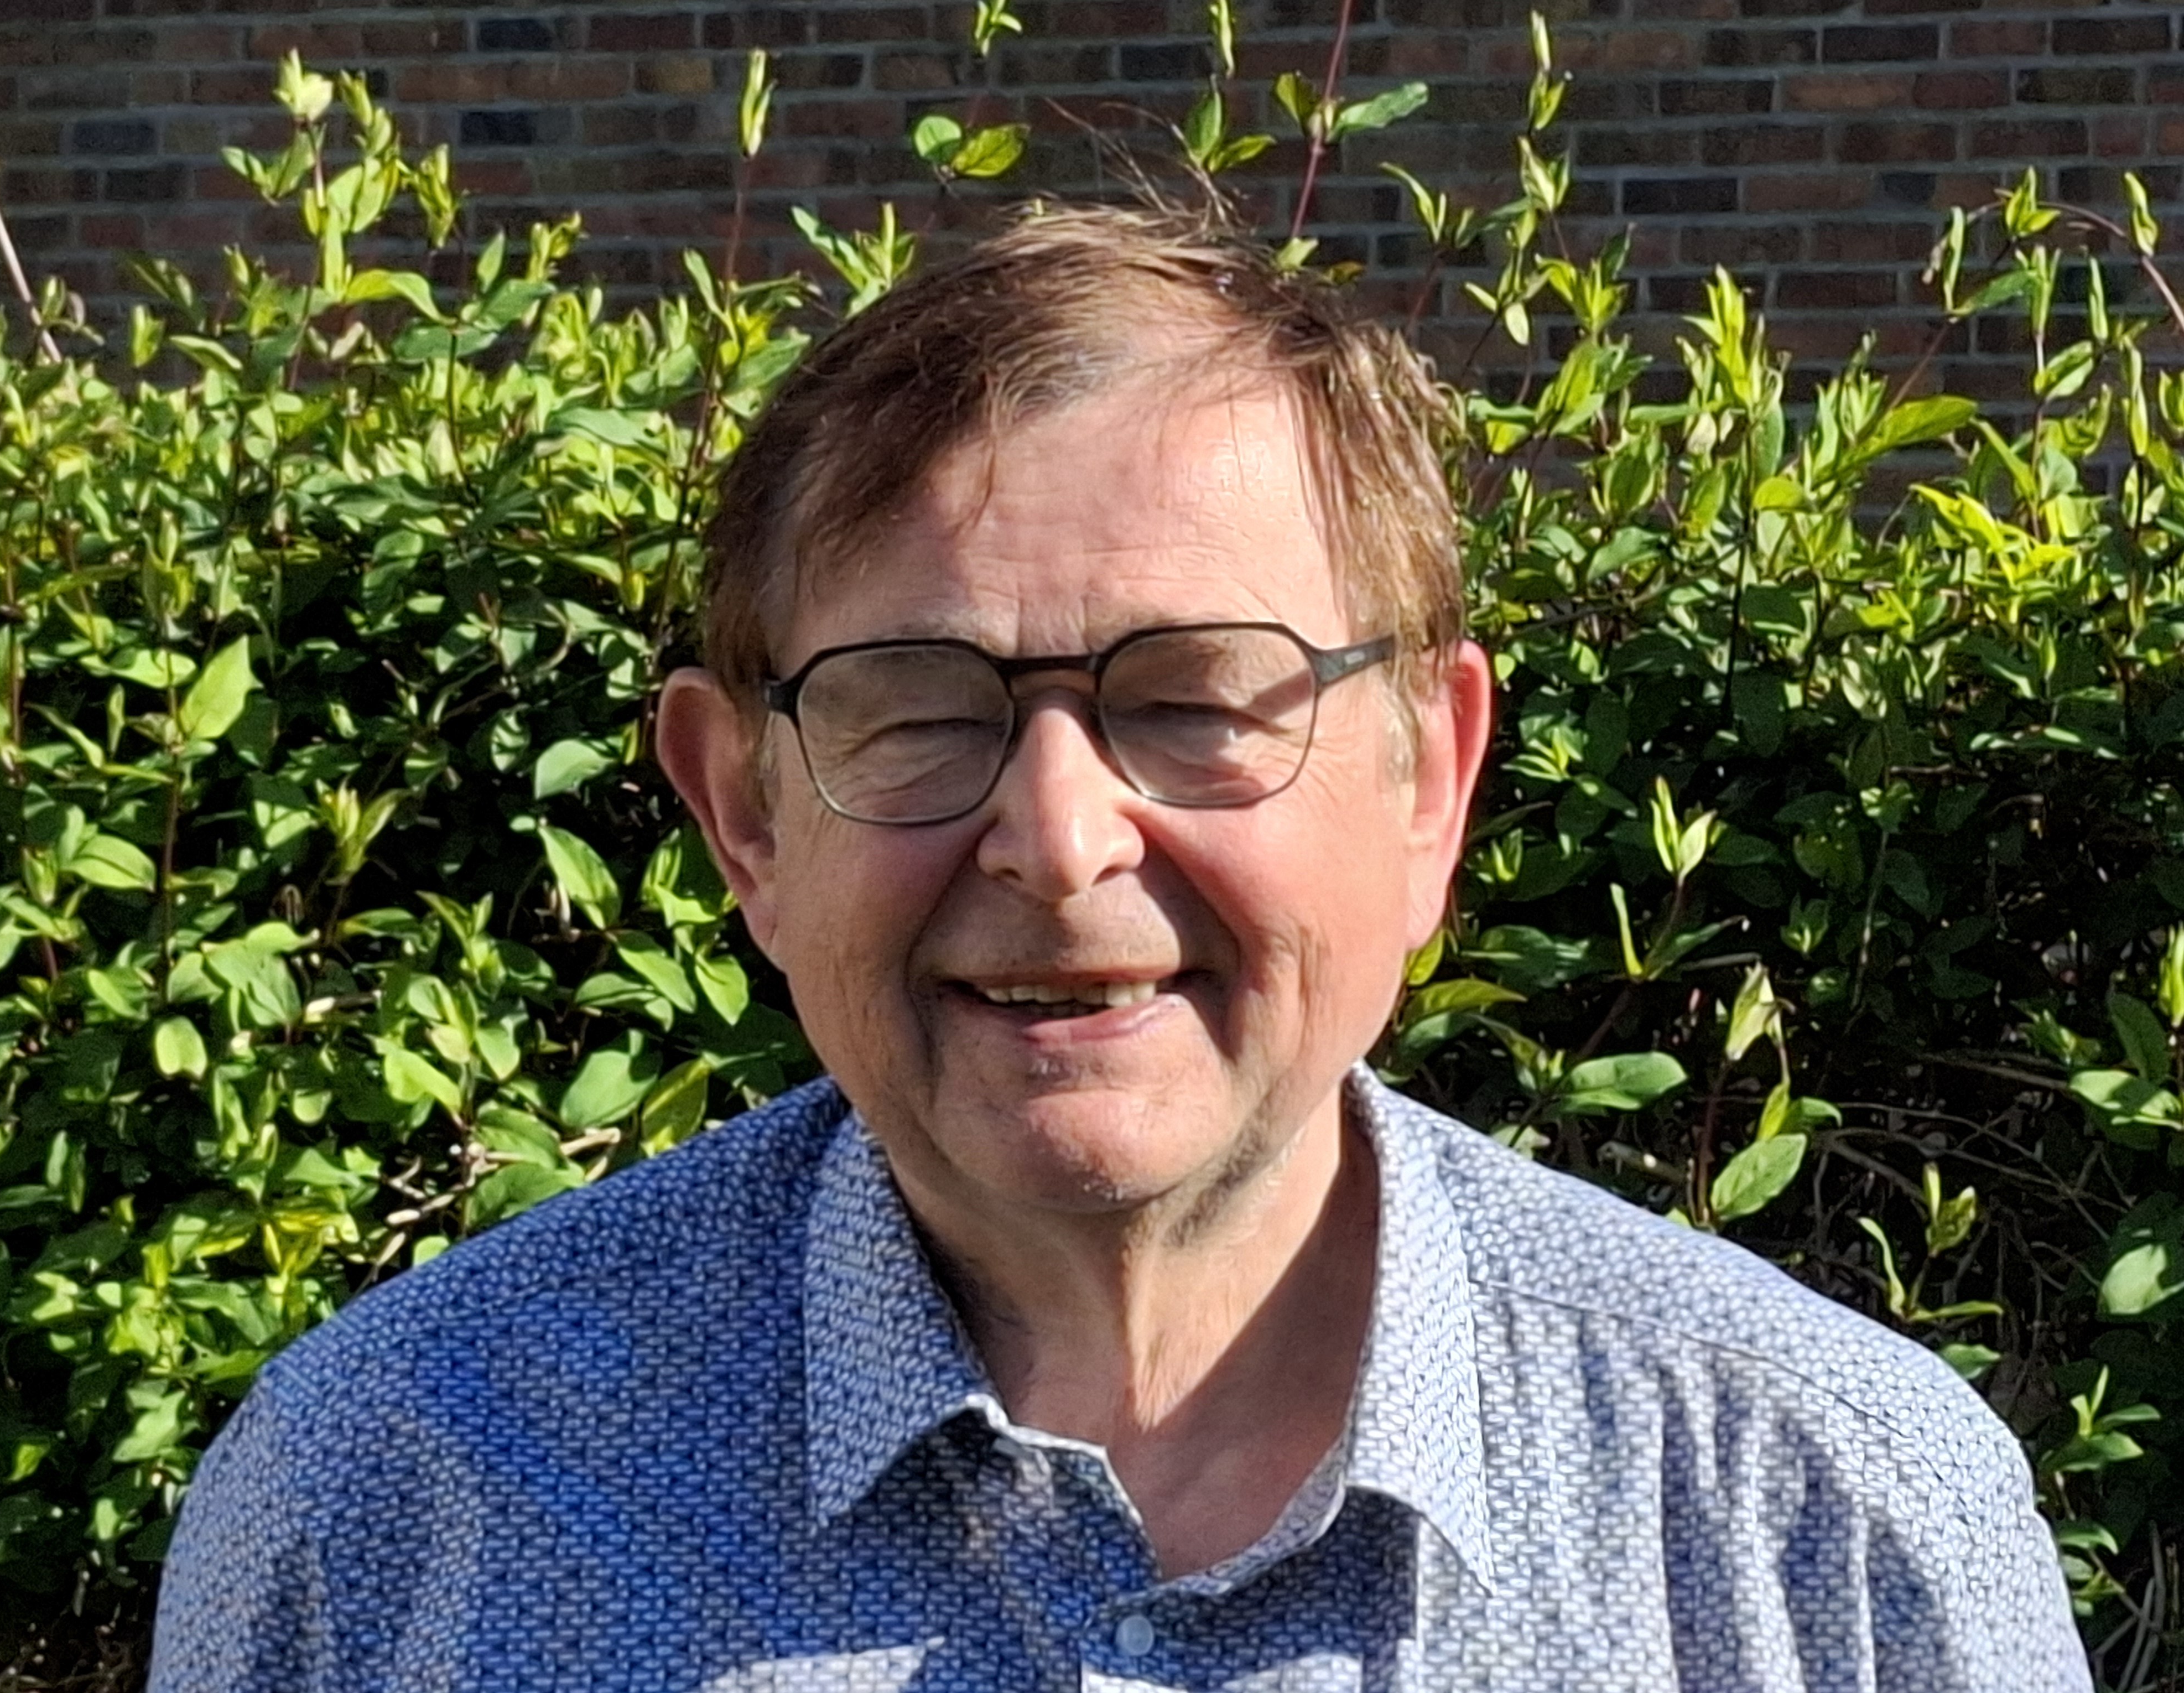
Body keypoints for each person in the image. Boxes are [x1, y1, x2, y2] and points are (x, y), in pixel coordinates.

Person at [148, 204, 2089, 1692]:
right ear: (744, 812)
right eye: (916, 705)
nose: (1062, 837)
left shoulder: (1820, 1529)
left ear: (1429, 776)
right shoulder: (386, 1505)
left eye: (1198, 698)